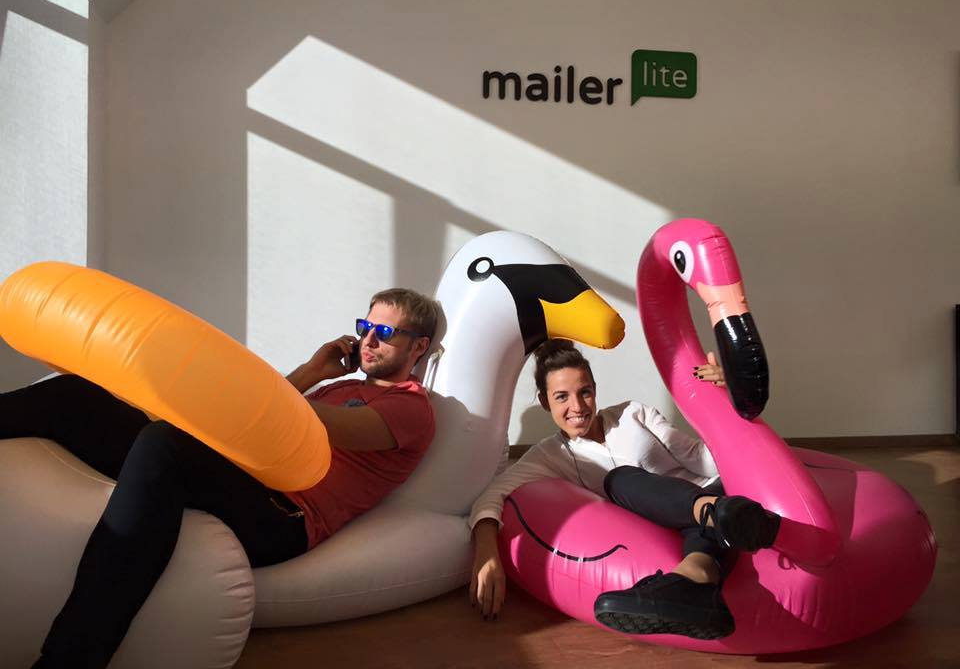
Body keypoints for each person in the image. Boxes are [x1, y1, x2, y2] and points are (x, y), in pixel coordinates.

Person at [0, 288, 441, 669]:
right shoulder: (335, 389)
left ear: (418, 347)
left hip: (283, 516)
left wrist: (291, 383)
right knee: (78, 395)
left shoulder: (411, 409)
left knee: (164, 443)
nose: (367, 340)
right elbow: (255, 419)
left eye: (384, 333)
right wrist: (312, 372)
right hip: (241, 476)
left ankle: (72, 658)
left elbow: (311, 424)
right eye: (365, 325)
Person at [468, 339, 780, 639]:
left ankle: (707, 545)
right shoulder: (550, 455)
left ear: (595, 391)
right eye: (562, 397)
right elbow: (494, 494)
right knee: (619, 479)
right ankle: (713, 537)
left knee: (626, 481)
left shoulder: (632, 414)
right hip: (692, 522)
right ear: (544, 401)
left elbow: (703, 461)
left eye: (585, 392)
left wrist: (725, 403)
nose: (577, 407)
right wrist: (487, 553)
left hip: (714, 492)